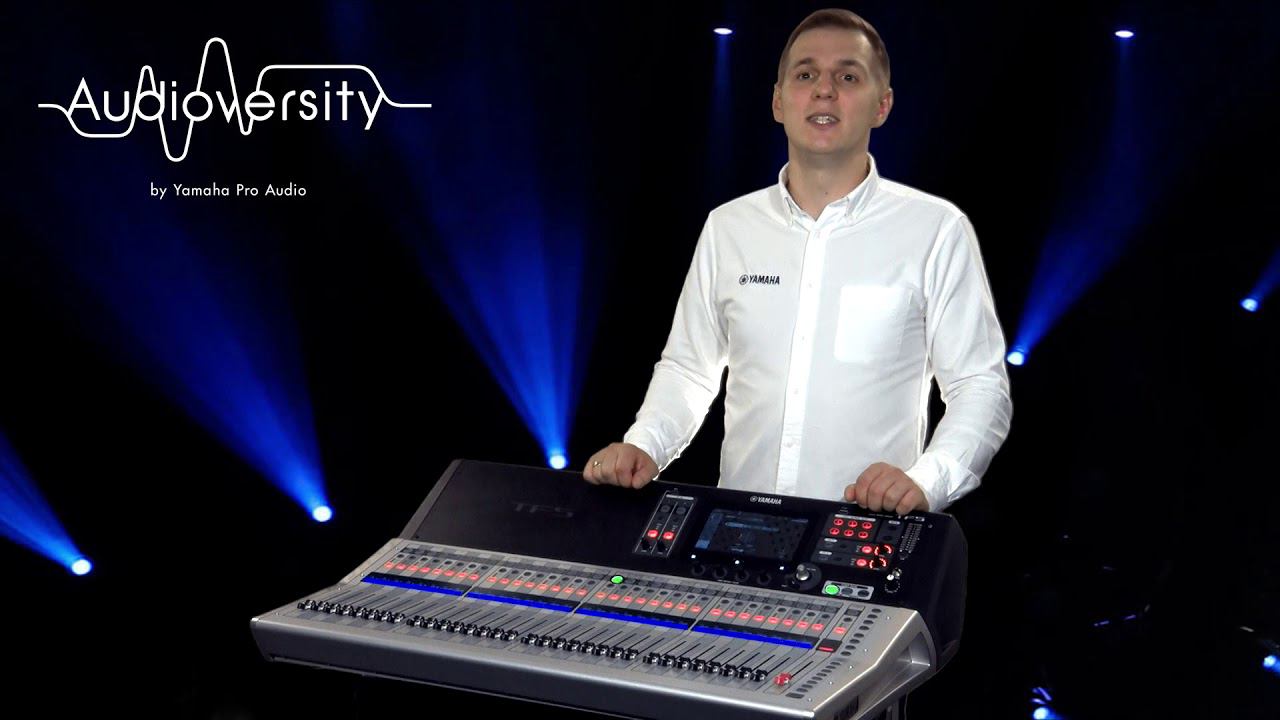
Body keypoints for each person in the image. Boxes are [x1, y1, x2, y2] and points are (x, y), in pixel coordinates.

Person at [583, 8, 1012, 515]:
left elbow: (979, 385)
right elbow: (689, 369)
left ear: (882, 105)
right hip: (734, 528)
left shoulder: (935, 231)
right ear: (778, 101)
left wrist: (927, 480)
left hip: (865, 534)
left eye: (848, 77)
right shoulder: (729, 227)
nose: (824, 91)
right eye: (806, 75)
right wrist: (645, 445)